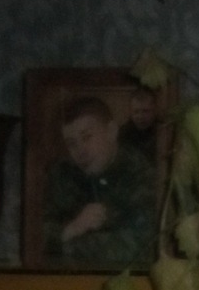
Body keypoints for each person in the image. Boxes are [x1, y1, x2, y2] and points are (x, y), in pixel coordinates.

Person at [44, 94, 158, 266]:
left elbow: (135, 248)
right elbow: (33, 234)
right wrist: (72, 228)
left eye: (87, 137)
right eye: (71, 143)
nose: (80, 151)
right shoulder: (62, 173)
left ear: (111, 131)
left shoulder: (141, 174)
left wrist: (62, 244)